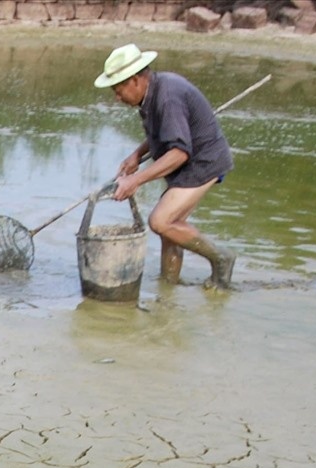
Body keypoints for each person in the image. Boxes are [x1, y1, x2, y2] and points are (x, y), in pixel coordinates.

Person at [96, 44, 237, 289]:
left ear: (136, 80)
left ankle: (221, 258)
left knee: (161, 221)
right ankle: (168, 291)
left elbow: (180, 153)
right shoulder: (151, 93)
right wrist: (136, 155)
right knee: (171, 228)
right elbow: (163, 133)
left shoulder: (167, 97)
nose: (117, 98)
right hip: (191, 159)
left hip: (203, 162)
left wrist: (135, 180)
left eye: (119, 90)